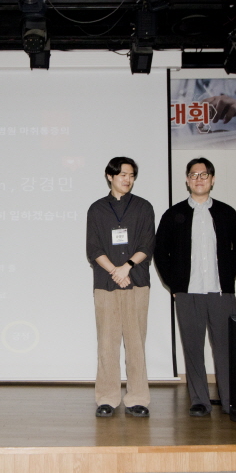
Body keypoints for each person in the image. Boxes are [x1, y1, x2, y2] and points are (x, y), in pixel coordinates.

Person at [154, 157, 236, 416]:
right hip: (188, 292)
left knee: (225, 347)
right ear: (187, 180)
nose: (199, 179)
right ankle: (200, 401)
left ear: (212, 179)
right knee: (193, 347)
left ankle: (229, 400)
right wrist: (174, 284)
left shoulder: (226, 212)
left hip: (220, 292)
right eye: (193, 175)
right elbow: (160, 252)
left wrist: (228, 275)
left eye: (204, 174)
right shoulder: (173, 214)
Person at [86, 157, 155, 418]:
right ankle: (107, 398)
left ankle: (137, 398)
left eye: (132, 175)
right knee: (107, 343)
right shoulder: (97, 209)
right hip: (106, 284)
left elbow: (147, 244)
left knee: (136, 344)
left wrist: (127, 267)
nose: (128, 179)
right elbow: (93, 249)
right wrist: (115, 271)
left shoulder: (143, 207)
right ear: (110, 176)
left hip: (136, 281)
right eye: (123, 174)